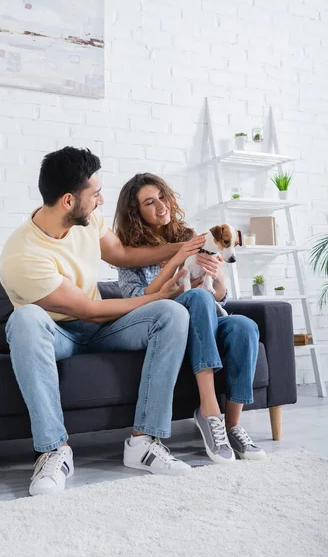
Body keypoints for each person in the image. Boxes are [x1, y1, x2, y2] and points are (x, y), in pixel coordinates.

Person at [0, 147, 207, 496]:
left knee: (173, 314)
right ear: (68, 200)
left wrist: (182, 248)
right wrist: (159, 295)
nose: (101, 200)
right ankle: (54, 450)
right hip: (59, 333)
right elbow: (87, 311)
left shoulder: (86, 219)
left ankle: (143, 443)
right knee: (24, 320)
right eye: (94, 194)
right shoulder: (22, 255)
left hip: (102, 328)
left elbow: (122, 254)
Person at [114, 173, 266, 463]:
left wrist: (217, 275)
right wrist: (178, 278)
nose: (161, 206)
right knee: (195, 298)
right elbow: (136, 301)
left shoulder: (191, 236)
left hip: (206, 313)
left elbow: (219, 296)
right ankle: (209, 411)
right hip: (170, 321)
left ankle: (233, 425)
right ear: (136, 213)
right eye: (150, 202)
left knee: (245, 326)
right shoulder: (128, 253)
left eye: (162, 196)